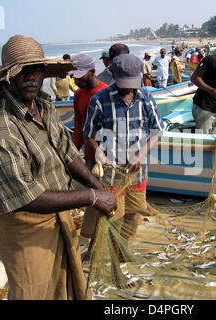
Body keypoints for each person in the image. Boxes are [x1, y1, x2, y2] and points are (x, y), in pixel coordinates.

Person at [0, 34, 117, 300]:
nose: (31, 77)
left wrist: (99, 187)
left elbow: (68, 153)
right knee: (36, 291)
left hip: (60, 214)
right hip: (27, 226)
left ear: (44, 73)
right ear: (9, 76)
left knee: (68, 283)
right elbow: (26, 195)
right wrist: (92, 197)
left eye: (36, 70)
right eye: (22, 71)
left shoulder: (43, 105)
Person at [82, 53, 164, 269]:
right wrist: (98, 151)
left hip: (138, 171)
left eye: (132, 84)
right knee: (114, 218)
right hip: (112, 171)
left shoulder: (146, 98)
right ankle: (116, 264)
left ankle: (123, 250)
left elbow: (157, 132)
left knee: (134, 213)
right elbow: (89, 133)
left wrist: (141, 154)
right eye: (124, 85)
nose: (129, 90)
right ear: (113, 76)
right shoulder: (100, 100)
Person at [70, 53, 108, 171]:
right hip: (89, 156)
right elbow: (78, 127)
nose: (76, 81)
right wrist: (71, 154)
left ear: (92, 71)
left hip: (108, 156)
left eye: (80, 76)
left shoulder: (107, 93)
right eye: (73, 77)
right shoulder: (78, 94)